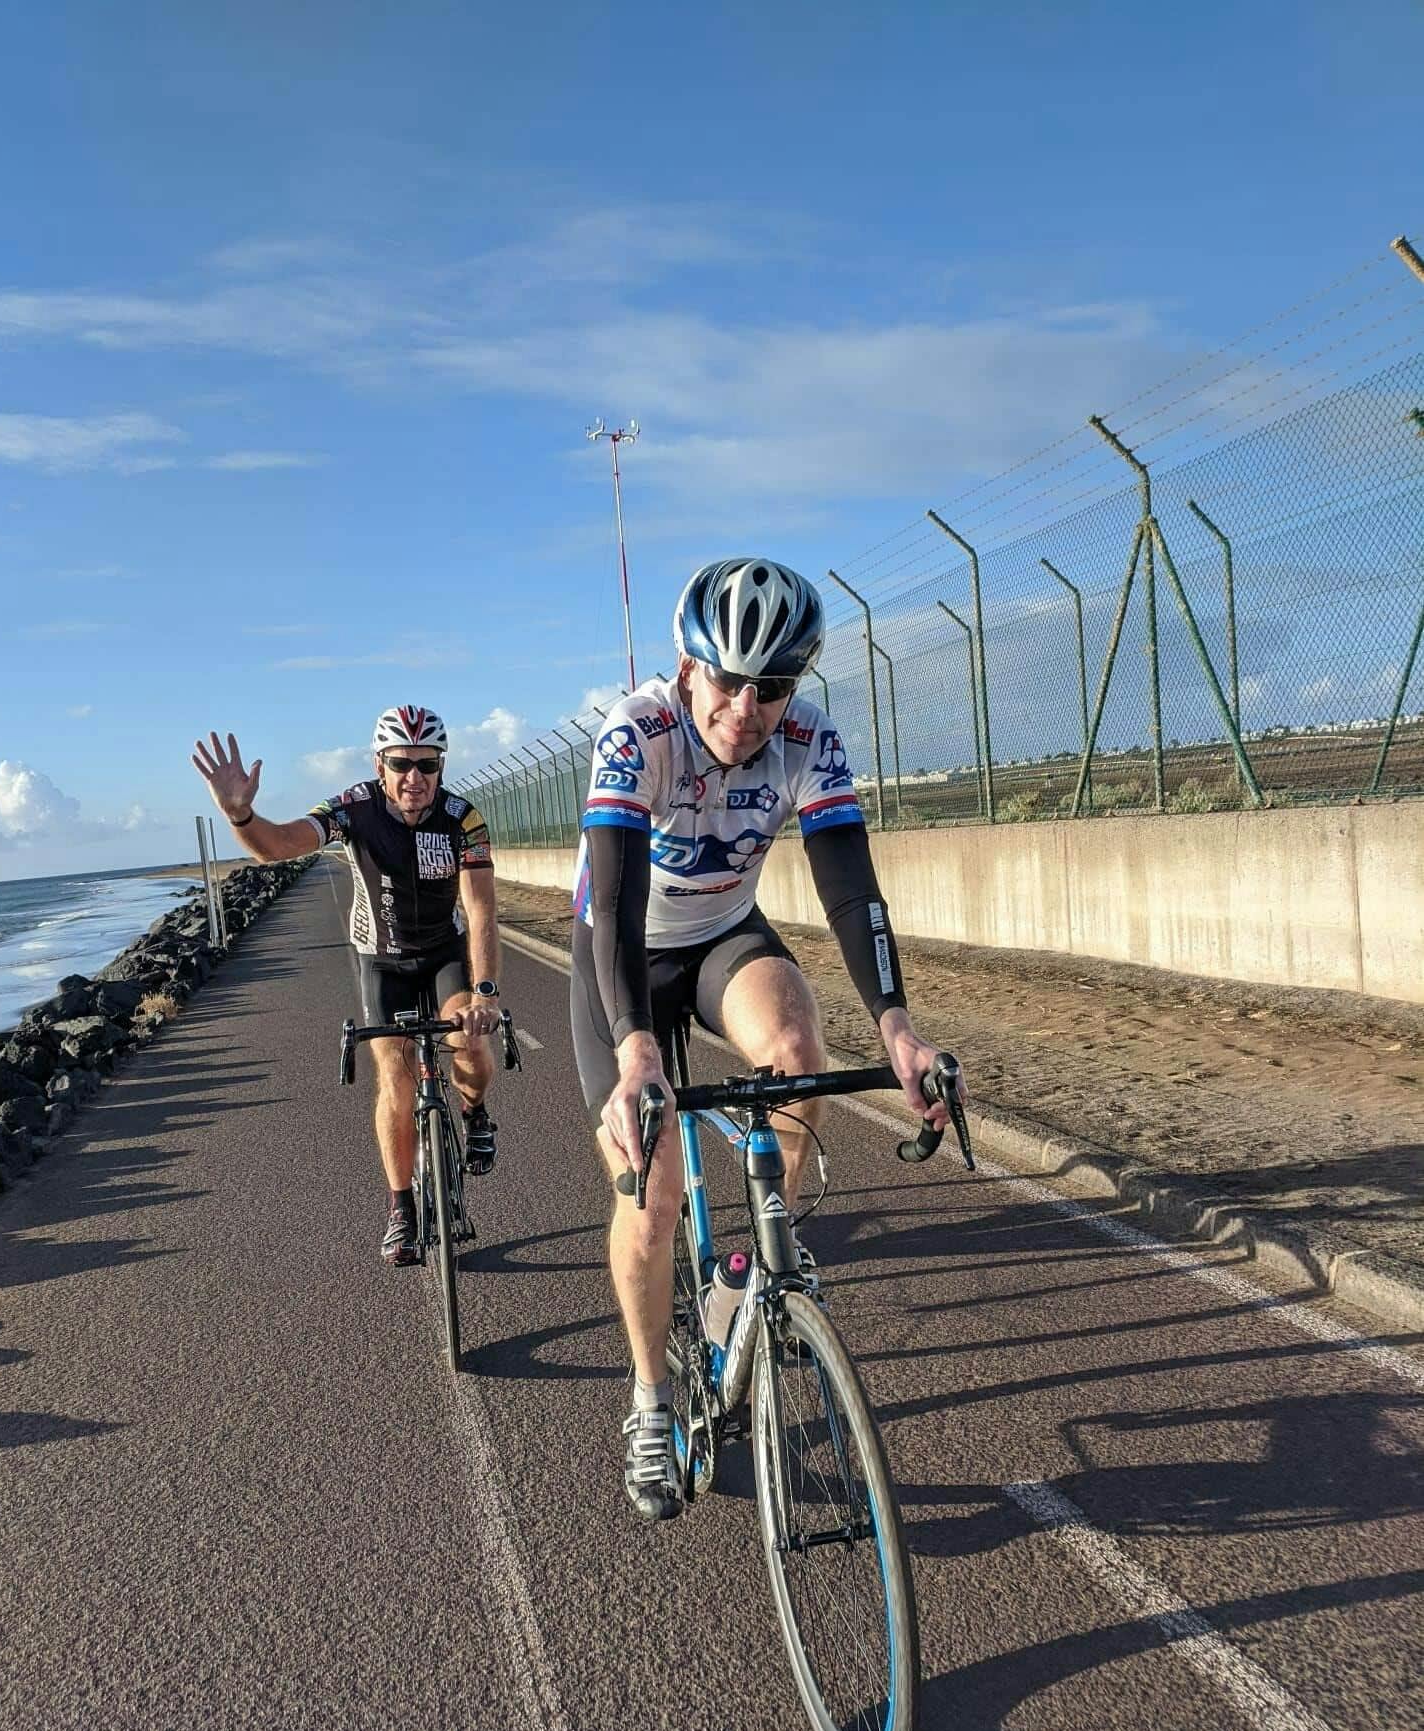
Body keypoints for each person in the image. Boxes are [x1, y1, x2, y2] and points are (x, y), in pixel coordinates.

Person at [570, 559, 959, 1522]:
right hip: (620, 952)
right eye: (728, 679)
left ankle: (759, 1261)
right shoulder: (638, 730)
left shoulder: (811, 740)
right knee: (651, 1191)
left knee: (797, 1049)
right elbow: (612, 901)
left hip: (721, 937)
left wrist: (900, 1030)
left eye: (773, 685)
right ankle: (651, 1402)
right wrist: (633, 1050)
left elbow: (851, 887)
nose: (748, 707)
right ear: (687, 667)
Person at [191, 706, 503, 1264]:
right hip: (380, 958)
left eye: (427, 764)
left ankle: (475, 1112)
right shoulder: (352, 808)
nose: (415, 777)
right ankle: (401, 1208)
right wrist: (242, 816)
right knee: (395, 1077)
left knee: (472, 1044)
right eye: (402, 763)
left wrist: (484, 992)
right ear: (380, 765)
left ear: (441, 765)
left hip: (443, 953)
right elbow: (279, 845)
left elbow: (480, 909)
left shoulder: (464, 819)